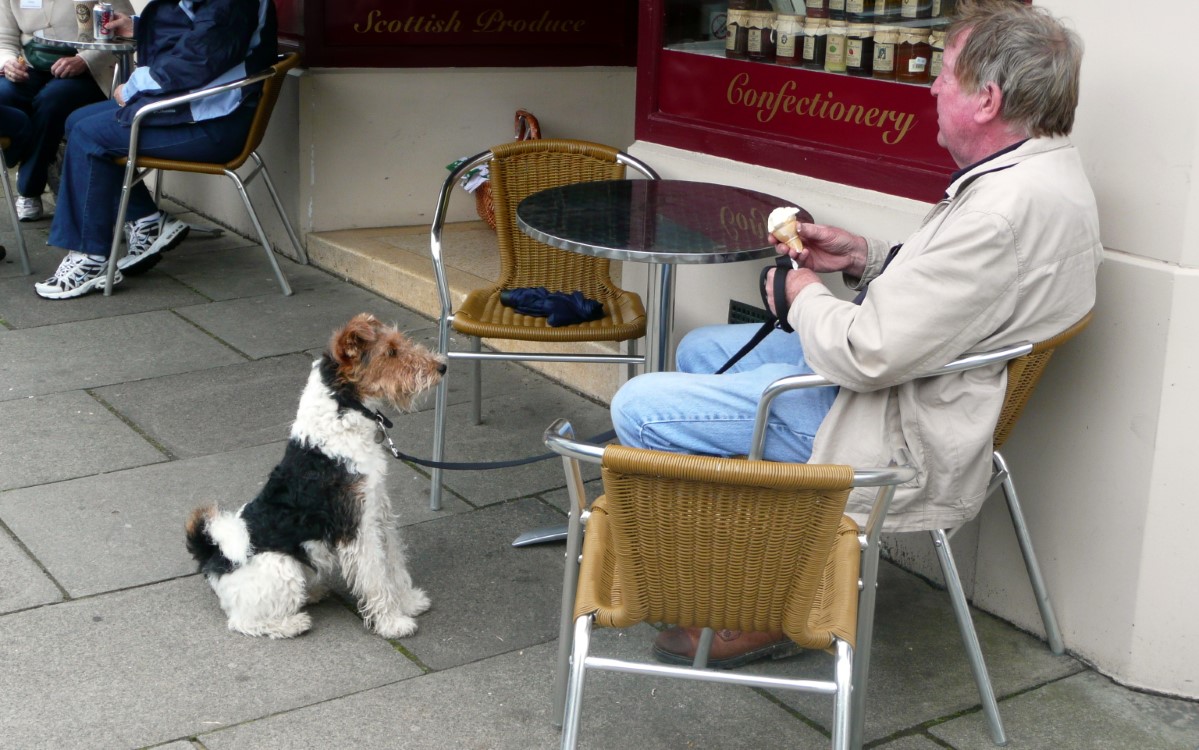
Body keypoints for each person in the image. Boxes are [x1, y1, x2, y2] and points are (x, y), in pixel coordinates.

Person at [610, 0, 1103, 668]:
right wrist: (860, 255)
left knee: (636, 406)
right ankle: (764, 558)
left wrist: (799, 292)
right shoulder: (1038, 176)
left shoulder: (1000, 210)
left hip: (897, 421)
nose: (930, 86)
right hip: (928, 388)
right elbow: (956, 296)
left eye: (945, 73)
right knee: (701, 350)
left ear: (985, 100)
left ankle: (759, 601)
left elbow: (864, 353)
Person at [33, 0, 278, 300]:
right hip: (203, 107)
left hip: (215, 123)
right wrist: (138, 26)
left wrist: (134, 86)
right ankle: (147, 221)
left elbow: (199, 58)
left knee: (88, 135)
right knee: (77, 121)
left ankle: (90, 257)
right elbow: (195, 31)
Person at [0, 0, 135, 221]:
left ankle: (29, 188)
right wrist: (9, 63)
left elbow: (126, 31)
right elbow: (4, 39)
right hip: (30, 66)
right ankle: (30, 144)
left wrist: (84, 59)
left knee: (52, 101)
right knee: (3, 96)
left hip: (88, 69)